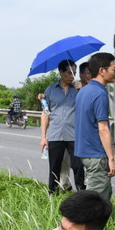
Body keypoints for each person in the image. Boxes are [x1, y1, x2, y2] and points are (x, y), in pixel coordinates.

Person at [74, 52, 115, 199]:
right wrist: (111, 159)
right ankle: (79, 222)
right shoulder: (100, 93)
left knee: (104, 195)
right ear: (102, 70)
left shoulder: (83, 91)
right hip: (96, 154)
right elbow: (103, 129)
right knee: (94, 202)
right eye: (113, 68)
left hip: (84, 152)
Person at [40, 59, 85, 193]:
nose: (72, 76)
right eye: (69, 73)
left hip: (74, 135)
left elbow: (87, 108)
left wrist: (82, 90)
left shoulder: (79, 89)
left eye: (74, 73)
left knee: (78, 167)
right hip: (55, 135)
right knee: (54, 167)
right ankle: (52, 194)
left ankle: (82, 194)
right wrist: (43, 137)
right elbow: (45, 113)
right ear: (60, 72)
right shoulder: (50, 90)